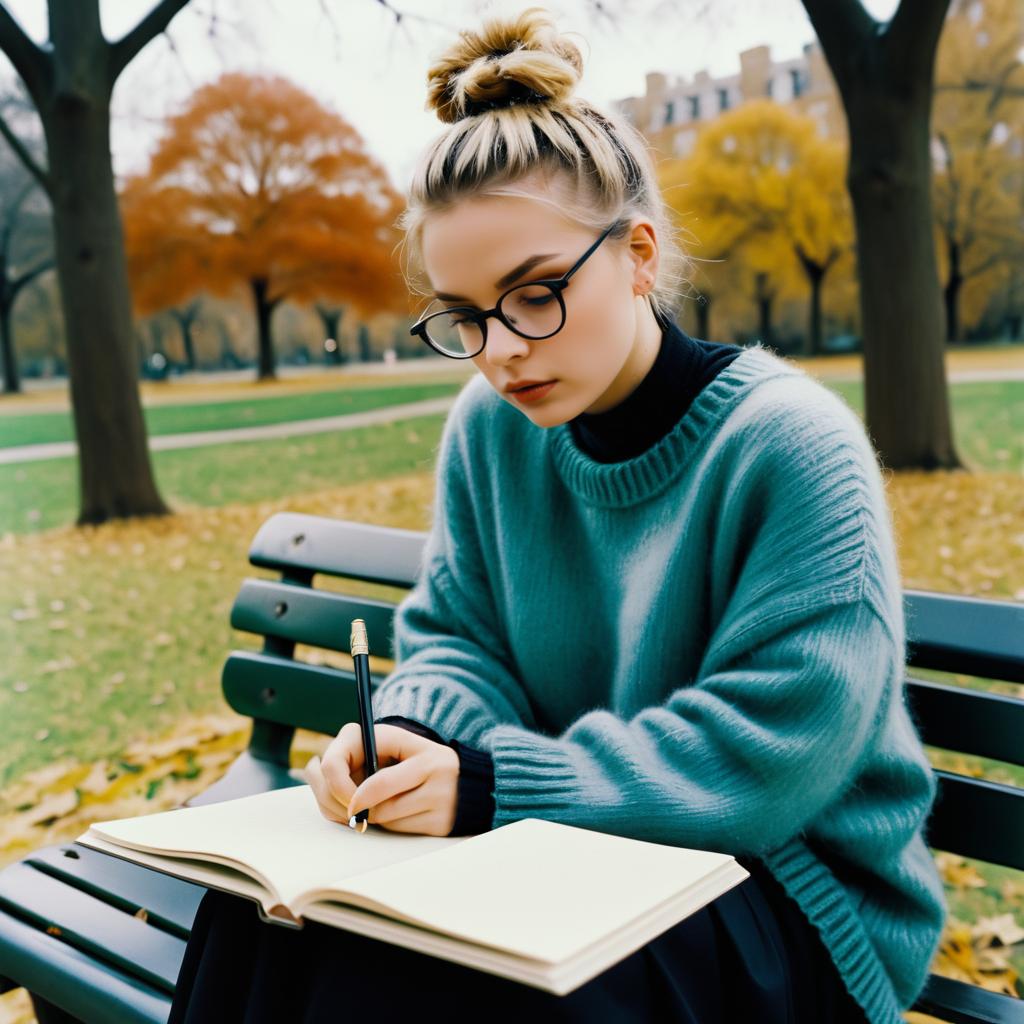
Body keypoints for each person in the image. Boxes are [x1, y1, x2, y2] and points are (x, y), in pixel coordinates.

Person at [167, 7, 947, 1023]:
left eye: (533, 294)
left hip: (783, 888)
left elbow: (773, 750)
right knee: (262, 920)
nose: (500, 350)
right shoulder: (492, 429)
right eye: (464, 315)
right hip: (557, 852)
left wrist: (494, 788)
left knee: (418, 985)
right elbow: (458, 638)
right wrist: (407, 733)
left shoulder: (791, 447)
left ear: (634, 254)